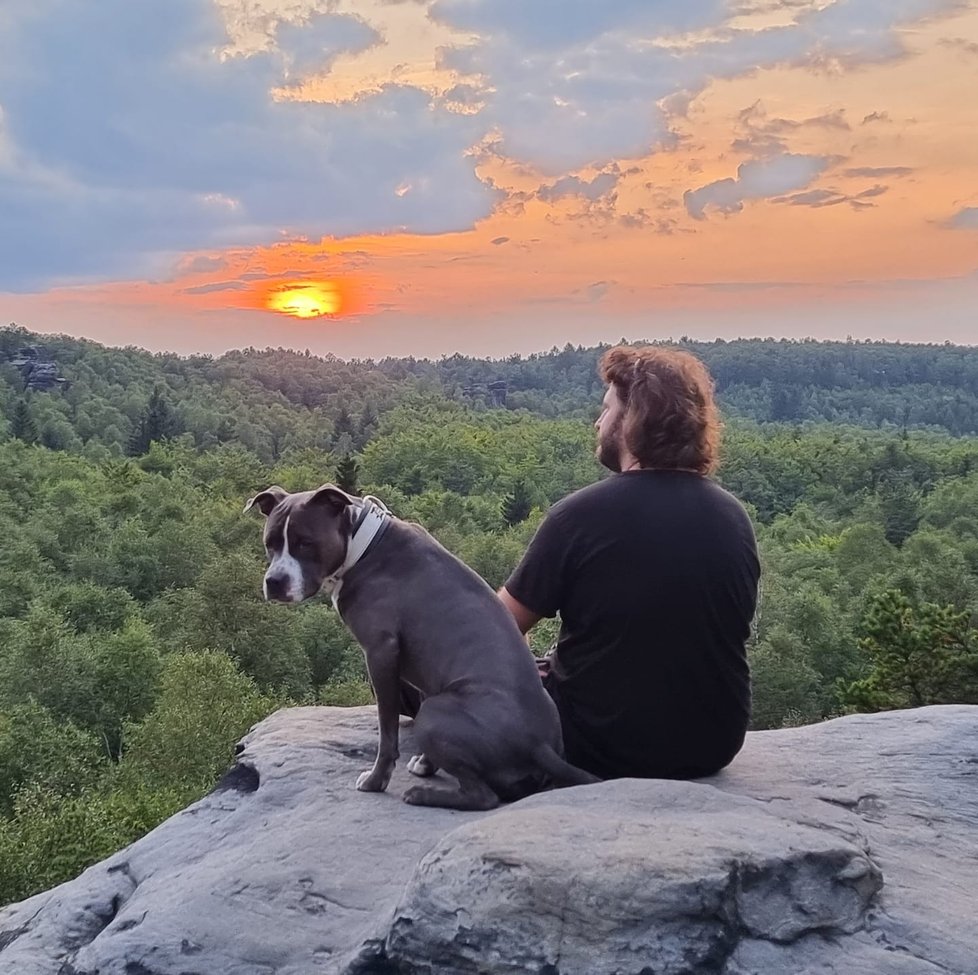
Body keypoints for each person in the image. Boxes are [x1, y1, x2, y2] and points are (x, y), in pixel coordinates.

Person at [497, 345, 760, 780]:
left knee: (435, 676)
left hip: (595, 746)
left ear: (632, 420)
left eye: (607, 410)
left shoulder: (578, 516)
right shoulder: (732, 516)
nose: (598, 423)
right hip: (711, 743)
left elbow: (492, 631)